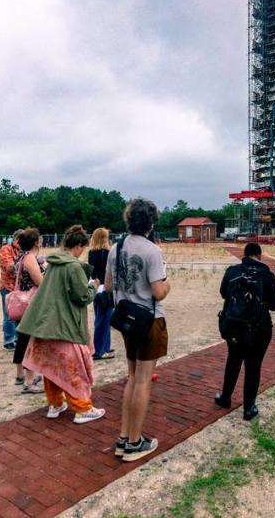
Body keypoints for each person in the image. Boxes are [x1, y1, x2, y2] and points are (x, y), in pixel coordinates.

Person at [18, 225, 106, 423]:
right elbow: (82, 296)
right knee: (74, 369)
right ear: (78, 245)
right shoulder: (72, 266)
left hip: (46, 326)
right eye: (82, 247)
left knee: (52, 367)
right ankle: (83, 409)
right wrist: (93, 286)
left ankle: (55, 404)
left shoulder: (53, 263)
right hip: (64, 326)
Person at [106, 198, 171, 462]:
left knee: (132, 377)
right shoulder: (152, 250)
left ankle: (125, 436)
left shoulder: (115, 247)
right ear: (151, 221)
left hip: (126, 319)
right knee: (143, 380)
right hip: (149, 319)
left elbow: (109, 287)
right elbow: (158, 291)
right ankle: (135, 442)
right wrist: (169, 285)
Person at [215, 242, 275, 420]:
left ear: (244, 254)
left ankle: (225, 397)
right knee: (253, 366)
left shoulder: (233, 271)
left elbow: (223, 293)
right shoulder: (266, 275)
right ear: (259, 255)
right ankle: (249, 408)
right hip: (259, 328)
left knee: (233, 360)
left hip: (234, 325)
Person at [12, 228, 45, 394]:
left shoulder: (20, 256)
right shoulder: (30, 257)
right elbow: (39, 281)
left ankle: (20, 375)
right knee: (30, 341)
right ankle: (29, 381)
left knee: (22, 339)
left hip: (21, 303)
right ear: (35, 242)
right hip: (30, 305)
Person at [88, 227, 114, 360]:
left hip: (95, 287)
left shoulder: (91, 253)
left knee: (101, 318)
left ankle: (105, 346)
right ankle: (99, 350)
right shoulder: (107, 253)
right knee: (104, 320)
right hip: (106, 288)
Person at [0, 229, 23, 350]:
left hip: (19, 288)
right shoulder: (5, 249)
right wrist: (22, 265)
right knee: (8, 315)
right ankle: (8, 340)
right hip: (7, 287)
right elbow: (9, 267)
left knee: (18, 314)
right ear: (16, 240)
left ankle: (17, 338)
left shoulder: (22, 250)